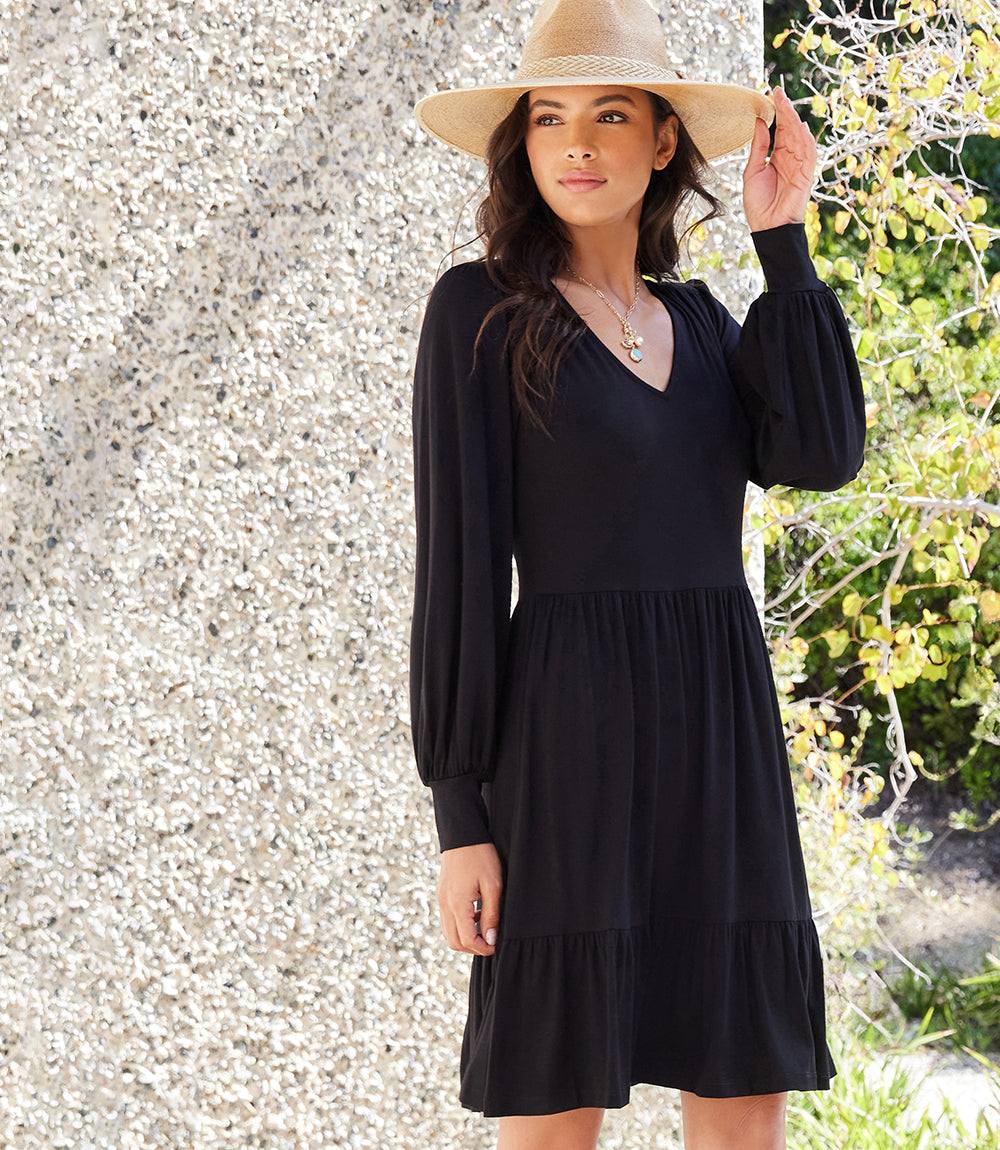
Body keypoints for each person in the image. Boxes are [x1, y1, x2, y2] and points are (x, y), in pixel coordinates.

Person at [408, 2, 867, 1147]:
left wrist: (783, 237)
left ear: (662, 140)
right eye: (549, 117)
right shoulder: (479, 314)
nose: (576, 142)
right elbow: (456, 573)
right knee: (555, 1095)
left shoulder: (709, 324)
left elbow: (822, 452)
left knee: (740, 1078)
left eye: (611, 114)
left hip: (720, 738)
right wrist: (461, 815)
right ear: (520, 142)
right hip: (562, 748)